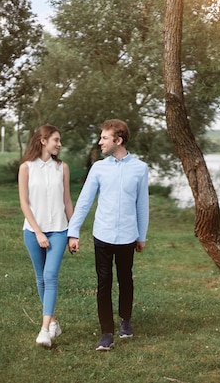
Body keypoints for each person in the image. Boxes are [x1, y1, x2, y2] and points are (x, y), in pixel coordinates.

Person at [67, 119, 149, 351]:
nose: (100, 141)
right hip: (102, 236)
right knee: (103, 282)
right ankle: (106, 333)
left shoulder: (140, 168)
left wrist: (141, 236)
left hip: (127, 237)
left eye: (104, 137)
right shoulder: (99, 168)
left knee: (125, 280)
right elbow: (84, 202)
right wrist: (73, 232)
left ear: (118, 140)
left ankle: (125, 319)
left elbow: (142, 205)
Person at [18, 125, 74, 348]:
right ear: (43, 140)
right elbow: (24, 203)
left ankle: (44, 331)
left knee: (50, 275)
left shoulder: (62, 168)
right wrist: (39, 232)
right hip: (33, 231)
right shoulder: (26, 168)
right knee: (40, 278)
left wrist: (73, 233)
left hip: (59, 229)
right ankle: (53, 322)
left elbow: (67, 201)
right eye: (56, 140)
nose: (59, 144)